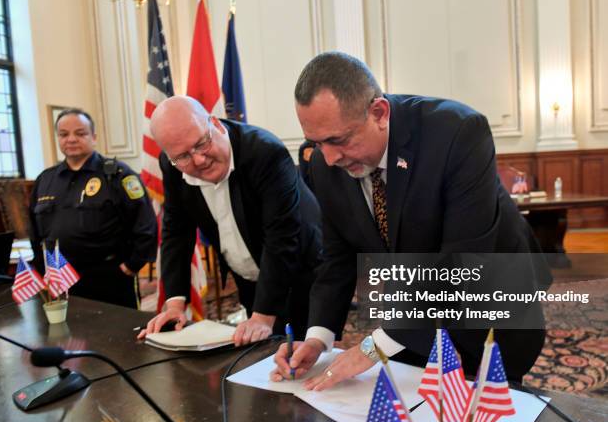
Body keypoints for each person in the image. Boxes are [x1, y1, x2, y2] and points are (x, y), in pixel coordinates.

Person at [272, 51, 549, 389]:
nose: (328, 158)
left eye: (338, 140)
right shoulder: (324, 164)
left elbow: (463, 260)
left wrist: (374, 347)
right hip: (411, 317)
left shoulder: (457, 132)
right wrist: (318, 337)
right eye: (317, 143)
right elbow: (338, 258)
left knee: (494, 413)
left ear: (379, 113)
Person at [138, 96, 322, 346]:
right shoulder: (172, 166)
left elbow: (282, 238)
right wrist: (175, 304)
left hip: (303, 268)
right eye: (183, 156)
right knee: (262, 355)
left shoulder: (264, 151)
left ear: (217, 124)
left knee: (306, 351)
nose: (199, 160)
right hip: (248, 272)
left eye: (202, 143)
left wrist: (263, 316)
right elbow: (176, 231)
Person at [29, 108, 157, 308]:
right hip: (61, 278)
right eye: (64, 134)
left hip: (108, 277)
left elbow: (145, 223)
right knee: (69, 336)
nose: (71, 139)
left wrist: (131, 266)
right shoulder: (46, 179)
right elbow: (35, 230)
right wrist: (41, 266)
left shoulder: (118, 175)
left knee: (117, 335)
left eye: (80, 133)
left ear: (94, 137)